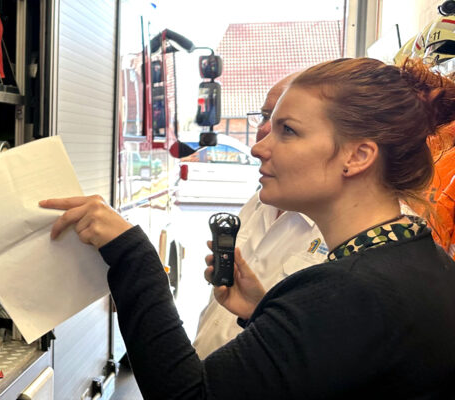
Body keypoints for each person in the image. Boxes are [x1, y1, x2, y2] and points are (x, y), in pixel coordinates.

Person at [40, 58, 455, 398]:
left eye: (288, 131)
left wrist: (132, 255)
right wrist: (266, 313)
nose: (258, 146)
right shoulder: (415, 261)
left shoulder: (351, 291)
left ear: (358, 156)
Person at [192, 71, 330, 359]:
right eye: (265, 116)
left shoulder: (355, 241)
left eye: (287, 128)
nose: (257, 144)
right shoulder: (261, 200)